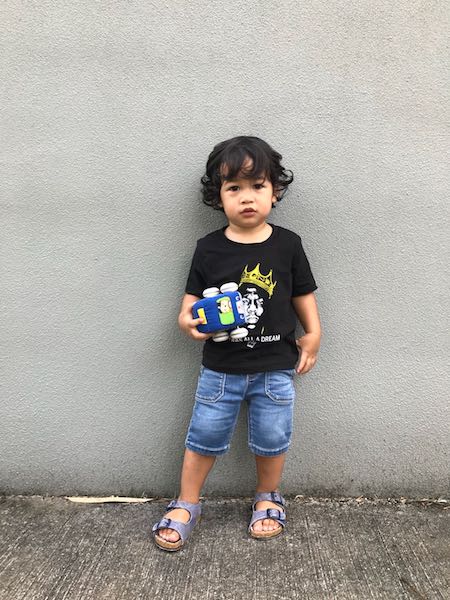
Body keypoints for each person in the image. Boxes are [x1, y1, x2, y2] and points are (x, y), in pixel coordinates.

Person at [152, 136, 321, 551]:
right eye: (234, 188)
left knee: (273, 437)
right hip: (220, 370)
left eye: (257, 185)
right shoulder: (208, 248)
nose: (247, 197)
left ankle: (268, 496)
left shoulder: (288, 244)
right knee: (204, 436)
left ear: (275, 191)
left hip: (276, 366)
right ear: (218, 196)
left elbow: (302, 293)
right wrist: (188, 321)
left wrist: (314, 334)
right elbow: (190, 304)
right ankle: (187, 501)